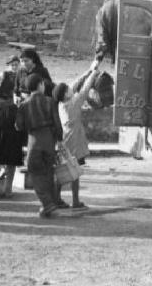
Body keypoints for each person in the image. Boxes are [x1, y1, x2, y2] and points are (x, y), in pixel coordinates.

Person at [52, 60, 101, 209]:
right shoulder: (73, 103)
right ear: (66, 93)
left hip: (65, 141)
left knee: (62, 171)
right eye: (68, 89)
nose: (71, 88)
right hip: (75, 142)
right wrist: (94, 73)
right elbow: (85, 88)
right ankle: (75, 201)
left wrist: (88, 70)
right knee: (75, 172)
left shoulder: (62, 104)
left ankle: (56, 199)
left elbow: (76, 84)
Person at [15, 73, 63, 218]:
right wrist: (59, 140)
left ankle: (47, 204)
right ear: (40, 85)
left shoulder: (24, 104)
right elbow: (57, 124)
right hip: (49, 141)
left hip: (34, 140)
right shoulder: (50, 101)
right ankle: (49, 205)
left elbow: (18, 126)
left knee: (35, 174)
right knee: (48, 172)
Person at [95, 0, 122, 64]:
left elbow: (102, 38)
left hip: (117, 54)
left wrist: (98, 59)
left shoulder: (102, 11)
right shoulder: (130, 5)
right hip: (137, 50)